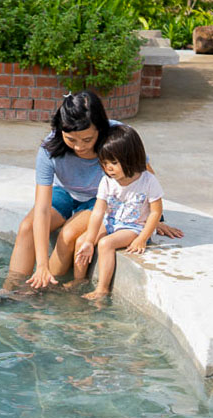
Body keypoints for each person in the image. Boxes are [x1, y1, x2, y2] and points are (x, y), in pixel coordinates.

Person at [0, 91, 181, 304]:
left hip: (101, 199)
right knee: (27, 226)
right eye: (71, 139)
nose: (79, 146)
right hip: (65, 193)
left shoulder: (118, 137)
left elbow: (145, 176)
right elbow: (42, 209)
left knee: (68, 233)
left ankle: (44, 289)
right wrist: (42, 264)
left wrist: (157, 218)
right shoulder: (49, 148)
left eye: (87, 139)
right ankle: (10, 289)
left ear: (100, 129)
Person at [73, 124, 163, 300]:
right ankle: (79, 280)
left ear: (130, 158)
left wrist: (142, 239)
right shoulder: (107, 181)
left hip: (134, 227)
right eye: (105, 163)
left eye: (114, 162)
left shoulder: (148, 181)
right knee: (81, 240)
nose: (109, 168)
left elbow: (155, 212)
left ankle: (102, 290)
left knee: (106, 244)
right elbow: (98, 212)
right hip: (111, 221)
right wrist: (90, 241)